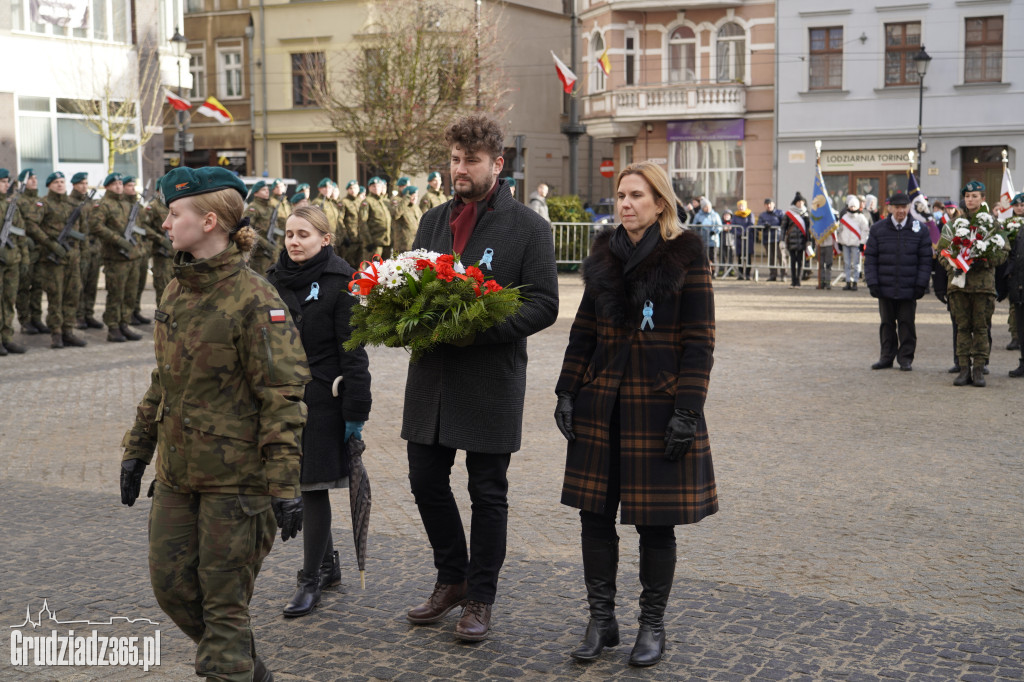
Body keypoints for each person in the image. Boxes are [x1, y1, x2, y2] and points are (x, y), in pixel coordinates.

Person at [119, 166, 310, 682]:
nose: (164, 224)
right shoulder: (177, 291)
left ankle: (230, 667)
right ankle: (244, 666)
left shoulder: (255, 298)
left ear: (208, 220)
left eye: (173, 213)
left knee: (225, 606)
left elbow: (283, 397)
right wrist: (137, 449)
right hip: (179, 474)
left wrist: (284, 484)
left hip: (238, 482)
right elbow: (165, 380)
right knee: (173, 587)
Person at [553, 160, 717, 668]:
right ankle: (601, 620)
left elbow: (700, 342)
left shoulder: (686, 257)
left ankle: (652, 625)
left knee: (653, 523)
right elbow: (583, 332)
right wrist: (565, 391)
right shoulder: (604, 254)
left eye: (636, 196)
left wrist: (687, 410)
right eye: (621, 195)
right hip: (602, 402)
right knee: (594, 515)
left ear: (660, 203)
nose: (625, 204)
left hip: (659, 403)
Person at [402, 113, 558, 642]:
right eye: (453, 158)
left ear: (497, 162)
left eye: (470, 160)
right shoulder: (431, 221)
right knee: (424, 478)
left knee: (487, 491)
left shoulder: (529, 228)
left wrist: (481, 330)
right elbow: (412, 287)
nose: (459, 168)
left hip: (491, 378)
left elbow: (544, 304)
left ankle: (480, 598)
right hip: (432, 378)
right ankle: (452, 577)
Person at [266, 205, 372, 618]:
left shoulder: (341, 283)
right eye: (290, 234)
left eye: (303, 234)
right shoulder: (271, 280)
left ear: (325, 239)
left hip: (322, 400)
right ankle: (327, 565)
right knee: (296, 480)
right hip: (279, 399)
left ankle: (309, 580)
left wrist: (356, 412)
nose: (294, 241)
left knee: (310, 487)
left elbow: (354, 352)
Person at [942, 181, 1009, 386]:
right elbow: (941, 251)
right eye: (968, 196)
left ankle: (979, 369)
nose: (970, 200)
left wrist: (984, 259)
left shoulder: (992, 224)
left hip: (982, 285)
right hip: (959, 285)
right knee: (962, 328)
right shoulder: (953, 224)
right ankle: (963, 368)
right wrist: (953, 265)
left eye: (975, 196)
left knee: (981, 328)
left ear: (982, 199)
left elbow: (1004, 251)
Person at [864, 192, 932, 371]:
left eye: (904, 207)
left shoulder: (920, 229)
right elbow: (870, 258)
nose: (901, 211)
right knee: (886, 324)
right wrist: (872, 282)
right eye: (897, 207)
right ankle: (886, 356)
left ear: (909, 208)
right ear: (889, 208)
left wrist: (921, 284)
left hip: (909, 287)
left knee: (907, 324)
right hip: (885, 286)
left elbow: (925, 259)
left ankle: (905, 358)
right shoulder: (878, 229)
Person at [25, 171, 88, 348]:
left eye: (62, 181)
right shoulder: (43, 204)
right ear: (49, 185)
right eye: (56, 182)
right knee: (56, 297)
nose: (60, 185)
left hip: (72, 259)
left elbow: (83, 231)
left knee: (73, 296)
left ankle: (68, 330)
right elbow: (30, 225)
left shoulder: (73, 204)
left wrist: (82, 254)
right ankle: (56, 333)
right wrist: (51, 244)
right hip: (53, 261)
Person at [89, 172, 143, 343]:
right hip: (115, 257)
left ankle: (124, 323)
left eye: (120, 183)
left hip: (132, 256)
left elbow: (139, 225)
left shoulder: (127, 204)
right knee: (116, 294)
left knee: (130, 293)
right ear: (108, 187)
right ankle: (113, 327)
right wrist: (118, 240)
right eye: (115, 184)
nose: (119, 186)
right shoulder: (103, 205)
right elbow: (96, 226)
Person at [15, 169, 47, 335]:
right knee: (23, 288)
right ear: (23, 182)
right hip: (26, 251)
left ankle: (37, 318)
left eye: (35, 178)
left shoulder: (41, 201)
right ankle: (25, 321)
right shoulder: (17, 201)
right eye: (30, 179)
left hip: (41, 251)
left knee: (38, 287)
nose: (34, 181)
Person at [0, 168, 28, 356]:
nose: (5, 185)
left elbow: (20, 234)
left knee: (9, 301)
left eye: (6, 181)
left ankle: (7, 338)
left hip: (12, 261)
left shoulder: (11, 206)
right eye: (2, 181)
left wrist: (23, 257)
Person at [70, 172, 102, 330]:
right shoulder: (70, 202)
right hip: (80, 249)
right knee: (79, 285)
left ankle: (89, 314)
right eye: (81, 183)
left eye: (86, 183)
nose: (84, 186)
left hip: (93, 248)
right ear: (74, 185)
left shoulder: (90, 202)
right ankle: (79, 316)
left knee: (92, 283)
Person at [123, 177, 151, 326]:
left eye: (134, 185)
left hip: (140, 250)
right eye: (129, 185)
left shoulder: (137, 206)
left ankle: (135, 311)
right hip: (127, 252)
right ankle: (126, 316)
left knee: (139, 285)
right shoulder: (123, 205)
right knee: (127, 289)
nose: (133, 188)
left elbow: (144, 227)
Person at [1006, 192, 1024, 377]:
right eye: (1017, 205)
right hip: (1018, 283)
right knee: (1021, 326)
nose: (1020, 208)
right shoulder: (1014, 228)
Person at [836, 195, 869, 290]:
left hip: (856, 244)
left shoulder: (861, 218)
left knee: (855, 264)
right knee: (846, 263)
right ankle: (847, 281)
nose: (852, 208)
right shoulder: (844, 217)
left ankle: (855, 282)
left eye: (854, 206)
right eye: (851, 206)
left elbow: (865, 231)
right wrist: (840, 241)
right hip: (845, 244)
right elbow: (840, 230)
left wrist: (863, 242)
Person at [244, 180, 277, 275]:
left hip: (272, 250)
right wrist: (266, 244)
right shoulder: (253, 208)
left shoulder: (270, 207)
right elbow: (248, 229)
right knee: (261, 280)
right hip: (260, 252)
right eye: (263, 190)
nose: (267, 191)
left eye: (267, 189)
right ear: (256, 193)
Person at [782, 192, 811, 287]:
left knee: (800, 261)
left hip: (802, 241)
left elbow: (808, 229)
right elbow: (783, 227)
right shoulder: (789, 213)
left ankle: (798, 280)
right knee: (793, 261)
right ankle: (793, 280)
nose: (800, 203)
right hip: (791, 241)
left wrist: (809, 240)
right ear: (795, 203)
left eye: (802, 202)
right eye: (798, 202)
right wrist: (781, 240)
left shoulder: (806, 213)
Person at [360, 176, 392, 261]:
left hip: (386, 242)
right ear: (369, 188)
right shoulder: (367, 202)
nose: (376, 188)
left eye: (378, 186)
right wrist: (368, 242)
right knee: (373, 270)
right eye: (373, 186)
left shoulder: (384, 201)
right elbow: (363, 223)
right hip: (375, 243)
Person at [691, 198, 721, 276]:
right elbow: (693, 226)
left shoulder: (715, 215)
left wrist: (715, 231)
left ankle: (713, 272)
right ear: (702, 207)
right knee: (703, 257)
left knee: (713, 257)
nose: (707, 209)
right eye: (705, 207)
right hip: (702, 240)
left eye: (708, 207)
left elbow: (720, 226)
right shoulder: (698, 215)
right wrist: (697, 225)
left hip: (713, 240)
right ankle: (704, 271)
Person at [759, 198, 786, 281]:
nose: (769, 206)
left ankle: (783, 275)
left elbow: (784, 223)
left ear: (774, 204)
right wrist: (764, 225)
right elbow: (759, 225)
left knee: (781, 256)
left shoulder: (780, 213)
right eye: (767, 204)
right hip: (767, 239)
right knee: (771, 258)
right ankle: (773, 275)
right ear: (765, 205)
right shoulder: (762, 215)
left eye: (770, 204)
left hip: (778, 238)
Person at [392, 185, 421, 255]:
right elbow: (395, 215)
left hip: (416, 245)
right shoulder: (402, 206)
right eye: (412, 196)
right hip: (403, 246)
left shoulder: (416, 208)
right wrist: (406, 200)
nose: (415, 198)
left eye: (416, 196)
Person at [339, 180, 362, 267]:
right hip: (350, 238)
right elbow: (340, 220)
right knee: (350, 264)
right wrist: (345, 236)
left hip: (361, 238)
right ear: (347, 190)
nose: (353, 190)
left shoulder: (361, 201)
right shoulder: (344, 202)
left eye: (355, 188)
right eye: (351, 188)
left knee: (361, 265)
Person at [732, 199, 755, 280]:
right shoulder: (735, 216)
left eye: (742, 206)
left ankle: (748, 274)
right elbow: (733, 226)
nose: (741, 207)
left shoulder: (750, 214)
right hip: (739, 239)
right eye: (739, 206)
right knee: (740, 257)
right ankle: (741, 274)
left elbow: (751, 225)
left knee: (748, 257)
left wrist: (745, 232)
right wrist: (739, 233)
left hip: (748, 239)